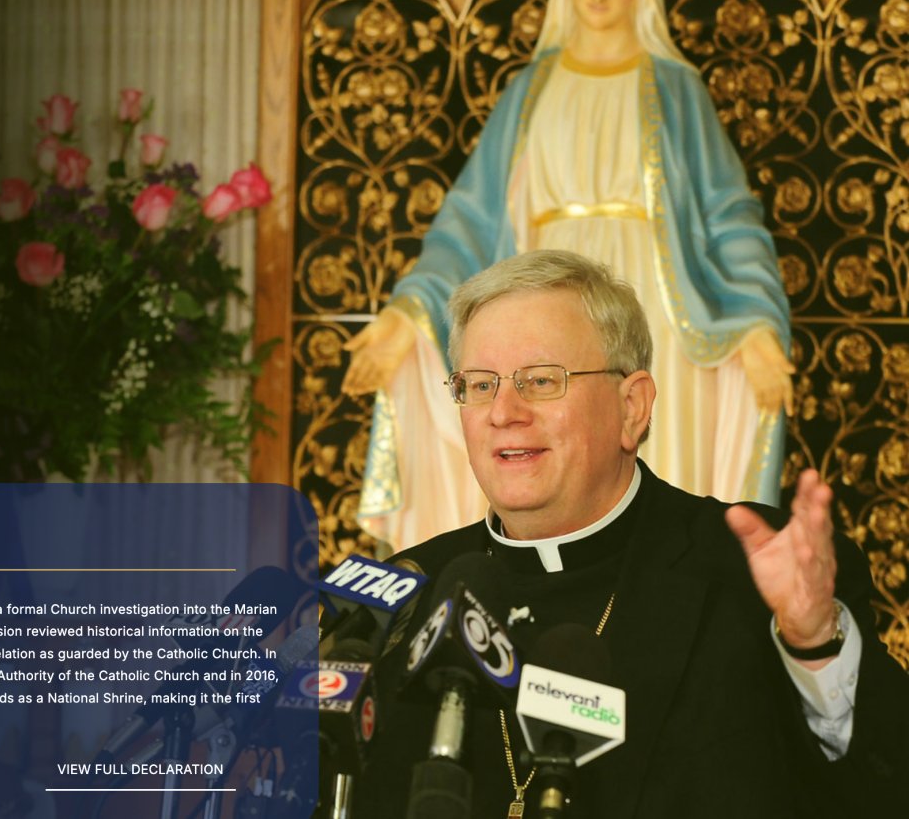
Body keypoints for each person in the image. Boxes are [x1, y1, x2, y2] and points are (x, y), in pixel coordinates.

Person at [355, 250, 907, 818]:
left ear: (632, 407)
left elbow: (886, 789)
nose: (503, 412)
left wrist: (814, 645)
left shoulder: (752, 572)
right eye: (478, 385)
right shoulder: (404, 597)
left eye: (540, 380)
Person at [343, 0, 793, 553]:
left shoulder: (675, 89)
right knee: (534, 443)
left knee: (655, 460)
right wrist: (407, 312)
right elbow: (469, 220)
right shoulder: (531, 90)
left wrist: (754, 321)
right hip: (540, 300)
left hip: (656, 308)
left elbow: (727, 214)